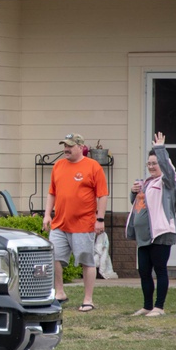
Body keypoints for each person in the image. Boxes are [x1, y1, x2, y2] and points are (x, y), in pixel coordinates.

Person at [41, 133, 108, 311]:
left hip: (83, 224)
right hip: (59, 224)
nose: (66, 149)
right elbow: (52, 192)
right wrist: (47, 214)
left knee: (87, 261)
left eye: (70, 146)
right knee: (53, 257)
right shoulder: (58, 166)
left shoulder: (93, 167)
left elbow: (102, 195)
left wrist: (99, 219)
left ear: (80, 147)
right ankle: (60, 292)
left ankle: (88, 299)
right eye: (64, 145)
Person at [126, 132, 176, 317]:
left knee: (160, 269)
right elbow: (141, 207)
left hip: (161, 233)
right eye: (149, 163)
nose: (151, 166)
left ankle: (159, 307)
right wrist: (134, 193)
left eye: (154, 163)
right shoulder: (147, 182)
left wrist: (160, 149)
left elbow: (168, 170)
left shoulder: (170, 182)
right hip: (144, 236)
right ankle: (147, 306)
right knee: (144, 271)